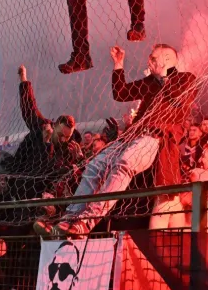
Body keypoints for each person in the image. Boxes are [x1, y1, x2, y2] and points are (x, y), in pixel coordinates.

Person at [40, 44, 197, 236]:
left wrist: (163, 74)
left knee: (125, 163)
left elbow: (178, 99)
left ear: (166, 59)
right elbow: (120, 93)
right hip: (131, 137)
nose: (149, 61)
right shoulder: (149, 82)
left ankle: (87, 222)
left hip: (154, 137)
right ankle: (68, 220)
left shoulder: (185, 79)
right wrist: (118, 64)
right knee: (94, 166)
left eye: (154, 58)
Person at [0, 65, 83, 200]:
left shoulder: (71, 149)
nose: (63, 140)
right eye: (61, 135)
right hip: (20, 180)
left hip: (40, 194)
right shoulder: (43, 127)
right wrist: (23, 79)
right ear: (54, 125)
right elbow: (30, 109)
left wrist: (78, 158)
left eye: (67, 137)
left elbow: (50, 168)